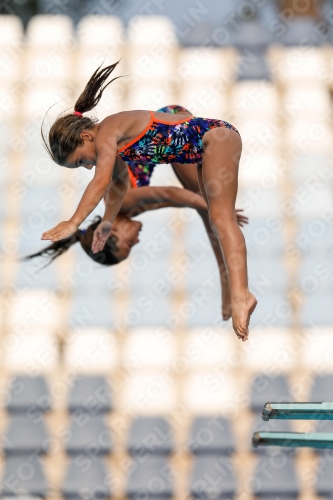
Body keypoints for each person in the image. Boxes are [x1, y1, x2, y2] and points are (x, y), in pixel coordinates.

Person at [40, 62, 257, 340]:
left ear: (86, 136)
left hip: (211, 138)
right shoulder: (115, 154)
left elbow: (107, 182)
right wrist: (106, 223)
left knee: (218, 217)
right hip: (194, 146)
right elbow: (117, 183)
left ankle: (239, 293)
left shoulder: (107, 132)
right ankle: (232, 289)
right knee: (216, 216)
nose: (87, 166)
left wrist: (73, 222)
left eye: (81, 160)